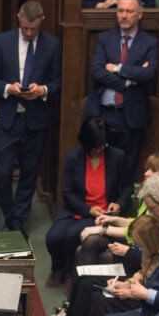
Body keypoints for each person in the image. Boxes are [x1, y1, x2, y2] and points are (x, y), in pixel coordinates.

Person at [0, 0, 62, 231]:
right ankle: (6, 218)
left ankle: (18, 222)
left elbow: (58, 81)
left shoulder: (52, 45)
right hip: (8, 118)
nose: (28, 33)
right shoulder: (3, 41)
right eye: (25, 28)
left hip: (36, 119)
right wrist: (9, 88)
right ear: (18, 19)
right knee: (3, 172)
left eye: (33, 29)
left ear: (41, 21)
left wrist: (43, 90)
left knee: (29, 173)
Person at [45, 116, 127, 284]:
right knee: (53, 237)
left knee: (71, 236)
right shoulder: (73, 157)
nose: (100, 150)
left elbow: (127, 187)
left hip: (102, 215)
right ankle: (57, 269)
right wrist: (88, 209)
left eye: (103, 146)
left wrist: (118, 203)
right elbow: (67, 193)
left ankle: (69, 273)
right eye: (96, 147)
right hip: (76, 210)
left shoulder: (117, 157)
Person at [85, 0, 155, 176]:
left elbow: (148, 73)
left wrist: (118, 68)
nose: (124, 15)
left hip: (131, 115)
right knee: (101, 169)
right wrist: (128, 81)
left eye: (129, 11)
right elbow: (97, 71)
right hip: (104, 114)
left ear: (140, 14)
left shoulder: (149, 42)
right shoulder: (105, 39)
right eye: (120, 11)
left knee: (127, 169)